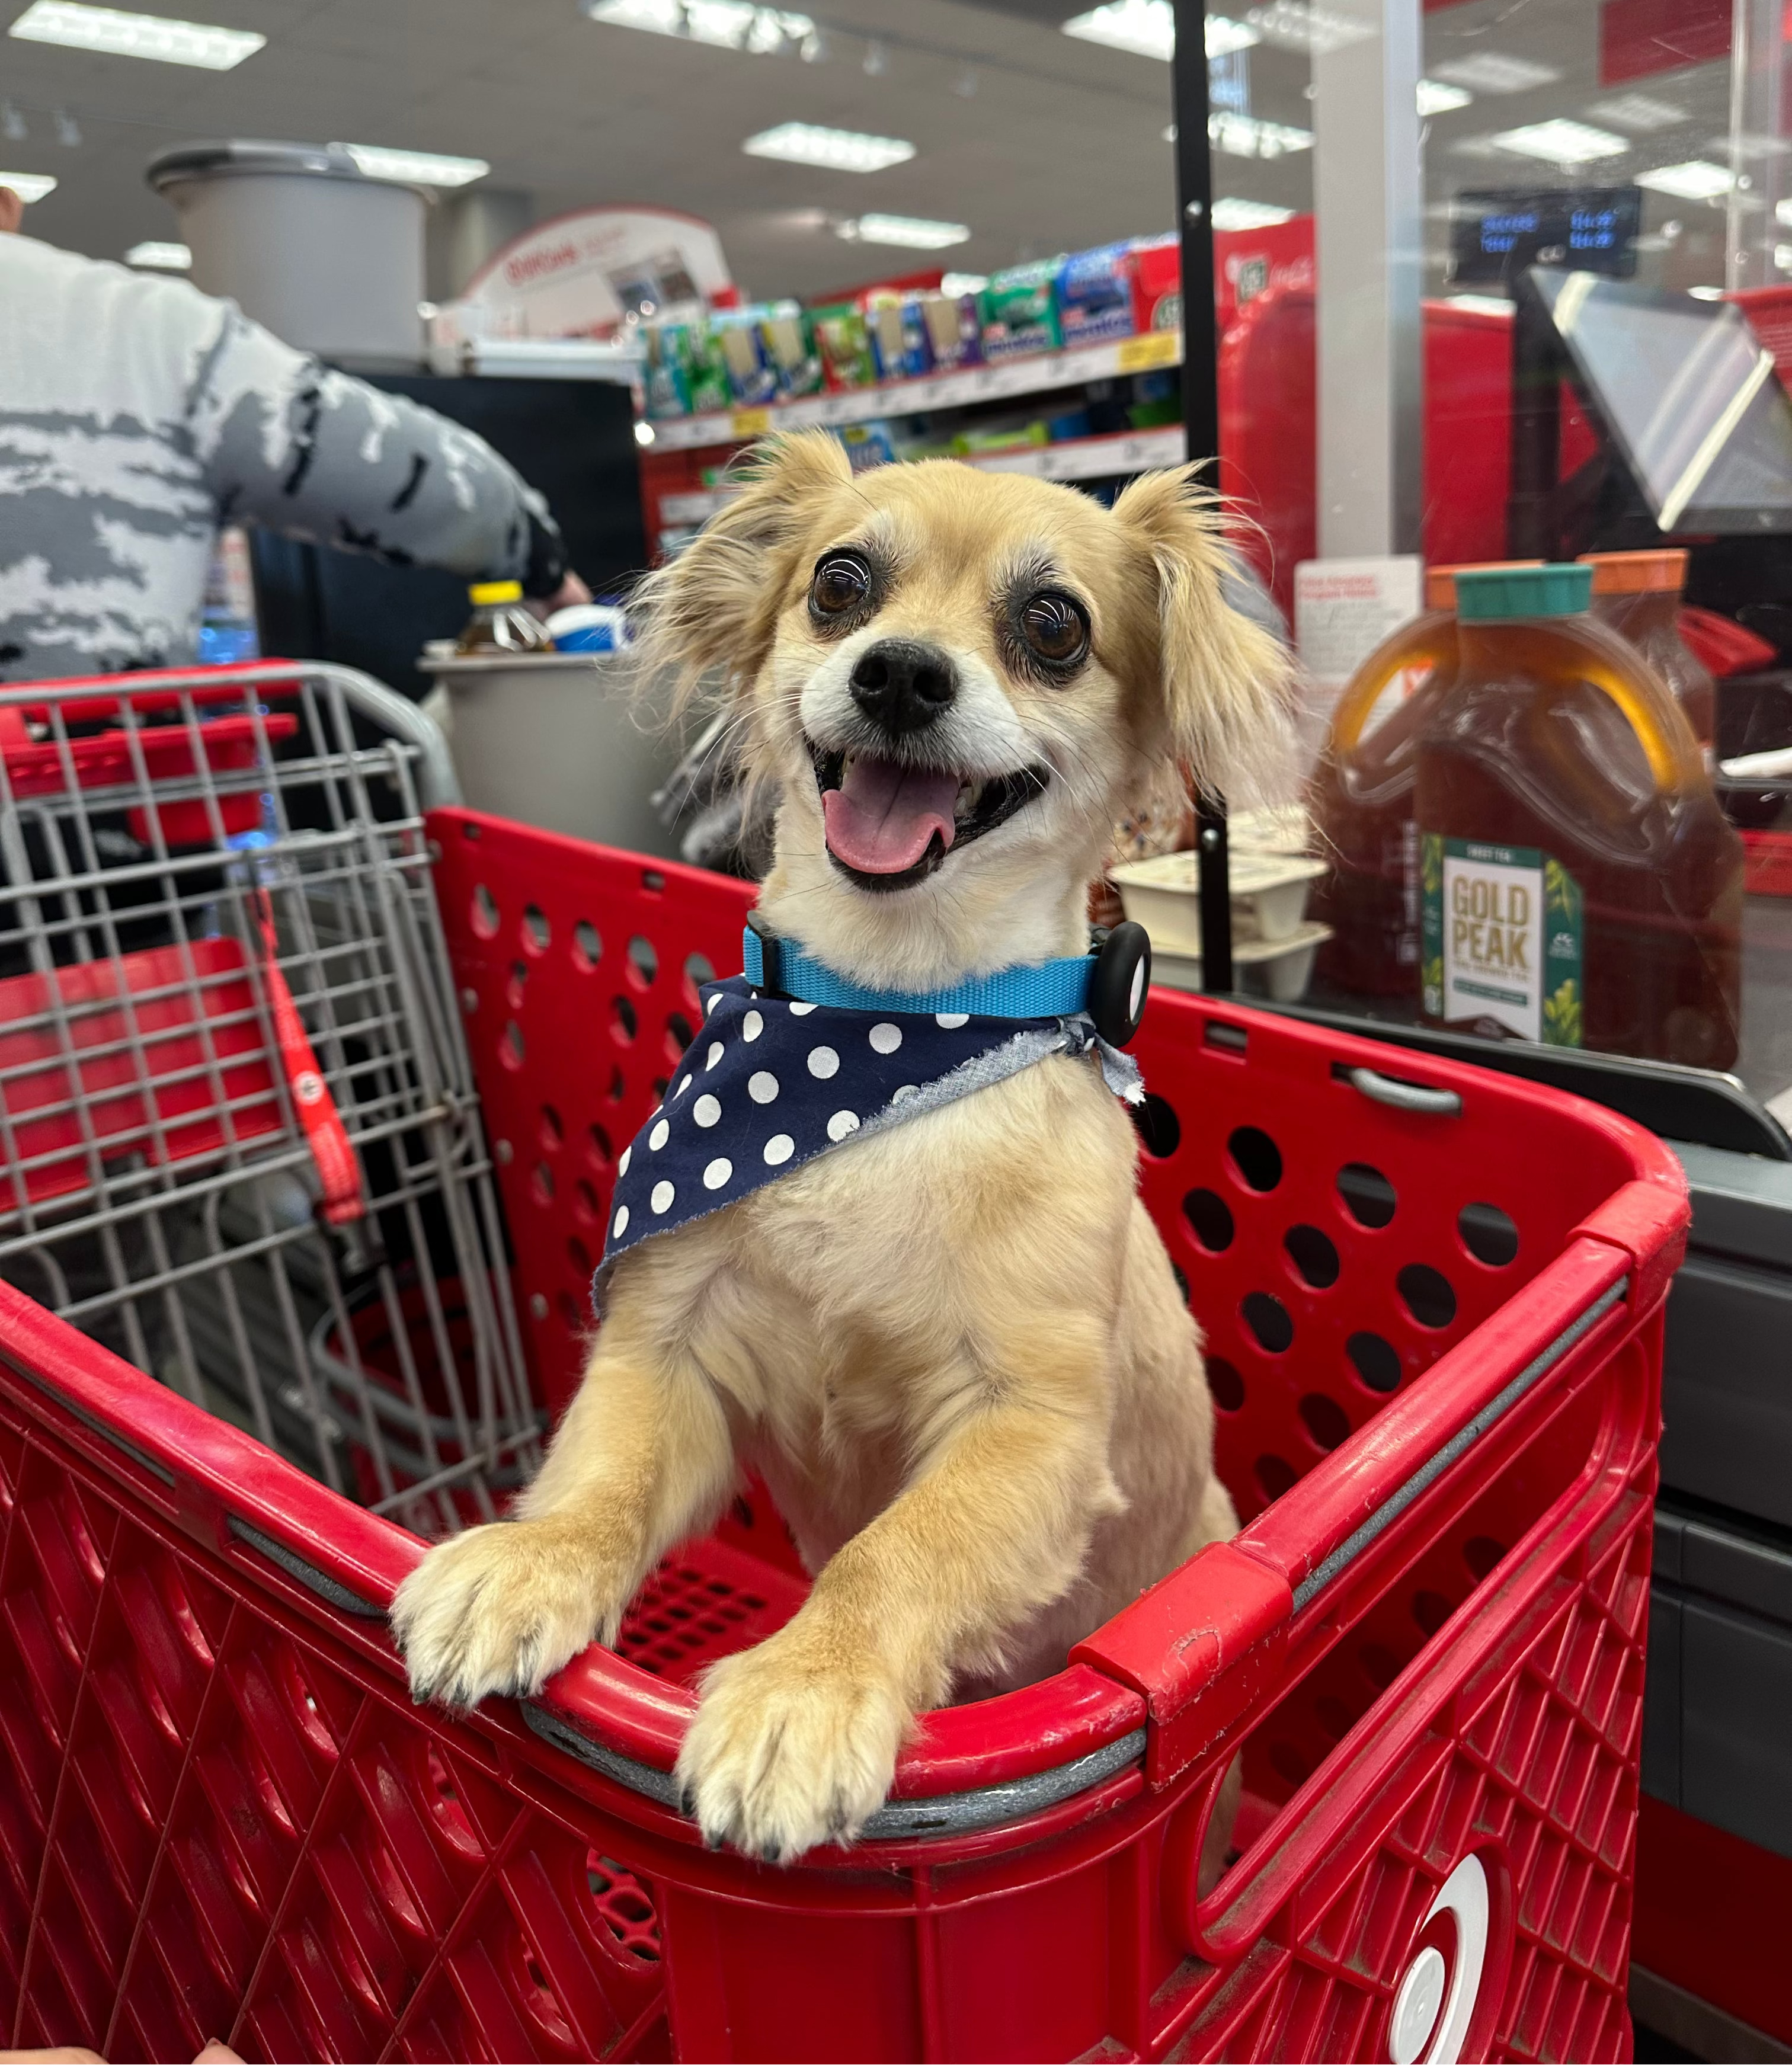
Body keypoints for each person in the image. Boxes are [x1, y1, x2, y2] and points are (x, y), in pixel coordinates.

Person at [0, 183, 588, 683]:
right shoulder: (130, 327)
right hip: (78, 794)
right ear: (7, 210)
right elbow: (427, 481)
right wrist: (543, 563)